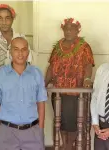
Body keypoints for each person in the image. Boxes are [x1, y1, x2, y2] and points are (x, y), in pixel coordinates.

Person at [44, 17, 95, 150]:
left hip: (75, 92)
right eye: (65, 28)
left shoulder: (84, 47)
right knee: (60, 121)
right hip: (58, 91)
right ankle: (65, 144)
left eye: (71, 29)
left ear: (78, 30)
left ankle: (69, 145)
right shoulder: (57, 46)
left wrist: (87, 80)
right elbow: (51, 67)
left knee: (73, 123)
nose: (68, 31)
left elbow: (88, 65)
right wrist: (43, 84)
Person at [0, 37, 47, 150]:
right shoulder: (0, 75)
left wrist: (40, 129)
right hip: (6, 132)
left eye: (24, 49)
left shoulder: (36, 74)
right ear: (10, 52)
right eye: (16, 49)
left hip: (32, 132)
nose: (20, 53)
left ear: (28, 52)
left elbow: (41, 103)